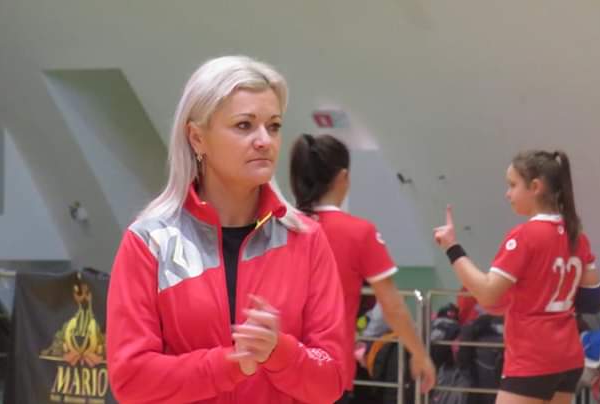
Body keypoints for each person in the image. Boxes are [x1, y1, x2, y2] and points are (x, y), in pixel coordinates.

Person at [106, 56, 347, 403]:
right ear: (197, 138)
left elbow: (331, 380)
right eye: (244, 125)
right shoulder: (149, 242)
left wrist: (279, 351)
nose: (264, 140)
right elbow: (131, 379)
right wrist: (230, 365)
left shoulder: (306, 239)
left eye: (274, 126)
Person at [433, 150, 600, 404]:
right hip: (568, 358)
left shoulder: (525, 236)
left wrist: (452, 247)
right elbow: (592, 299)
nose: (507, 193)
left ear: (535, 187)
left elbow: (487, 294)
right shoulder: (577, 237)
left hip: (532, 358)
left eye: (512, 185)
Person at [289, 134, 436, 402]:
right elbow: (392, 306)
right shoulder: (359, 233)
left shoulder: (280, 227)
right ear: (343, 177)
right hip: (329, 371)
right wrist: (419, 354)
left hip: (280, 369)